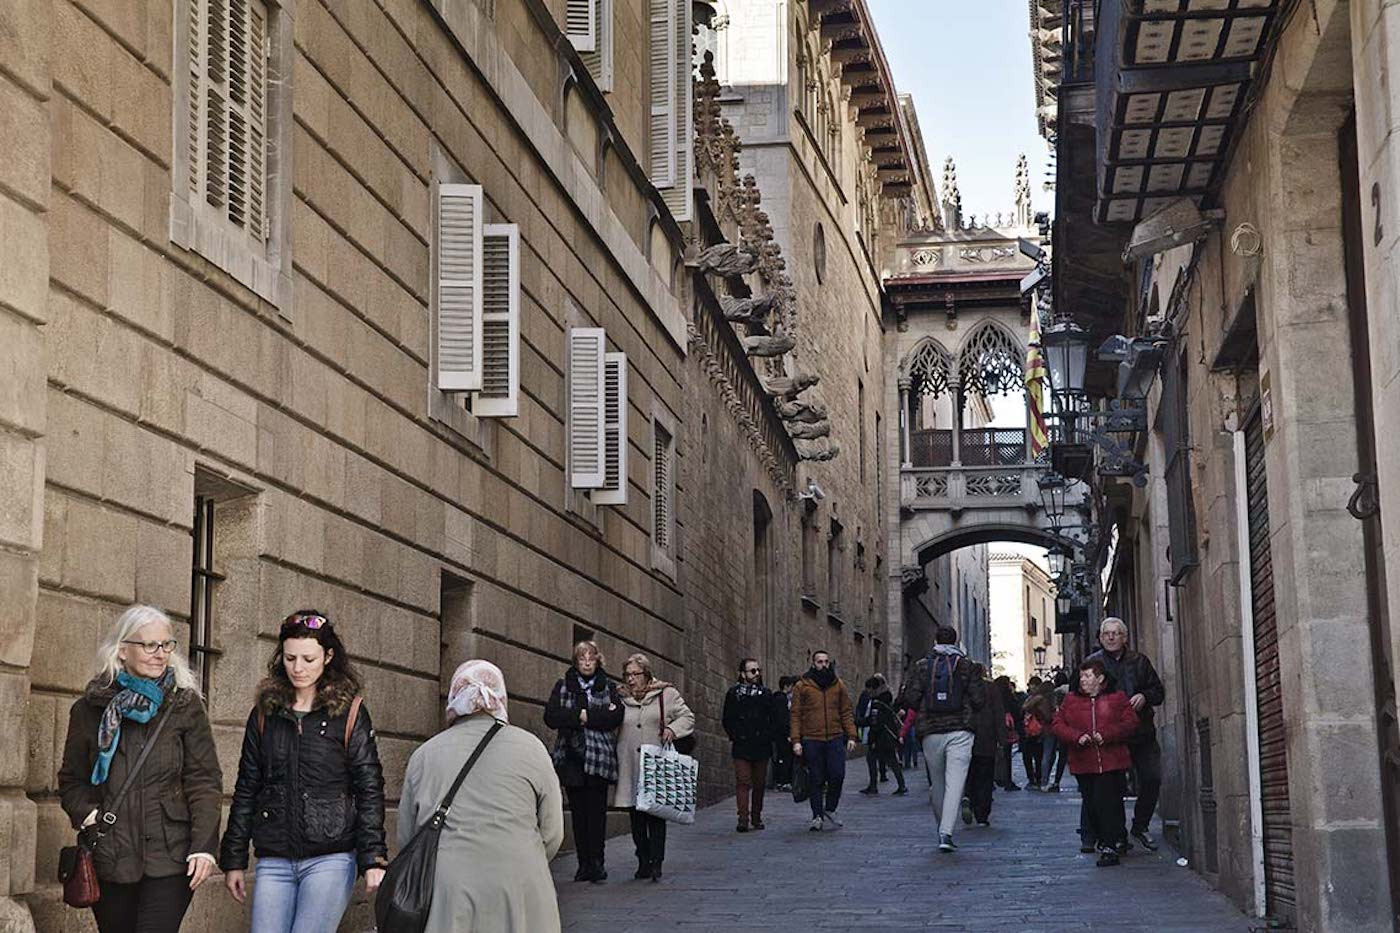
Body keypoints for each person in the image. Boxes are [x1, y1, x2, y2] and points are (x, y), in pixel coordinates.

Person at [219, 610, 388, 932]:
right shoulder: (265, 713)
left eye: (308, 659)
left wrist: (372, 857)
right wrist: (234, 859)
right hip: (274, 857)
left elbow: (369, 786)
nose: (298, 668)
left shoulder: (349, 711)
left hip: (331, 855)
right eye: (290, 657)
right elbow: (247, 787)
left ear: (328, 656)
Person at [58, 605, 223, 933]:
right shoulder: (90, 709)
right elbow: (71, 780)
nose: (160, 653)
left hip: (171, 856)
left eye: (166, 645)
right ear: (122, 650)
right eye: (149, 645)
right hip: (111, 855)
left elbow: (204, 780)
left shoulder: (184, 705)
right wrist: (89, 816)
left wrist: (204, 847)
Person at [398, 660, 564, 932]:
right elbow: (553, 831)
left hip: (448, 887)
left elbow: (408, 836)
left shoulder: (424, 755)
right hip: (520, 881)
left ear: (454, 696)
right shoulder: (532, 747)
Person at [899, 626, 985, 852]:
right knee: (955, 782)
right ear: (956, 641)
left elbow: (911, 699)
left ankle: (942, 828)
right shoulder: (967, 666)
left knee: (936, 783)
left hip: (930, 730)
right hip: (960, 730)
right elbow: (978, 700)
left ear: (935, 640)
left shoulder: (922, 666)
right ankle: (946, 832)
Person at [544, 640, 623, 883]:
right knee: (578, 813)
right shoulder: (563, 685)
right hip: (572, 757)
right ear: (576, 661)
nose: (587, 662)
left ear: (598, 660)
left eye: (591, 658)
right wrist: (579, 715)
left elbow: (615, 716)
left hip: (599, 758)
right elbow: (551, 716)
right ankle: (583, 864)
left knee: (597, 813)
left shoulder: (607, 687)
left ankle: (597, 862)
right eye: (582, 658)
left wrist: (588, 717)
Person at [1085, 617, 1166, 851]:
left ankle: (1140, 826)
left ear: (1124, 637)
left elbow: (1158, 692)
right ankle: (1117, 835)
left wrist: (1145, 696)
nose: (1111, 637)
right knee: (1113, 787)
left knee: (1152, 778)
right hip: (1110, 737)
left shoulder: (1139, 662)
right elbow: (1078, 696)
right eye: (1106, 634)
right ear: (1100, 638)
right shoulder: (1092, 664)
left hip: (1141, 733)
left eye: (1116, 633)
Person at [613, 653, 695, 881]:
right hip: (630, 765)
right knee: (636, 817)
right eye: (627, 675)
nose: (630, 679)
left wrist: (673, 729)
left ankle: (656, 861)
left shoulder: (666, 694)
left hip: (656, 765)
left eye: (635, 674)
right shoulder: (619, 697)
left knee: (656, 815)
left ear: (646, 674)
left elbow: (687, 717)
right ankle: (643, 859)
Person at [1051, 658, 1139, 866]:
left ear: (1100, 678)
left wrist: (1106, 735)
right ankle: (1109, 839)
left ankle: (1110, 845)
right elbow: (1057, 724)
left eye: (1088, 676)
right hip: (1084, 762)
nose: (1083, 680)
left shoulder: (1117, 698)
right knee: (1092, 804)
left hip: (1112, 762)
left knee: (1107, 802)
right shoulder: (1071, 700)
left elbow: (1130, 723)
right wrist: (1076, 737)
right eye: (1081, 676)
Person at [789, 651, 858, 831]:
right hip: (812, 739)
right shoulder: (802, 686)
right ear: (813, 664)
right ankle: (817, 815)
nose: (823, 665)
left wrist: (851, 735)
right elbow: (795, 714)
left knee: (838, 774)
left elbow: (846, 711)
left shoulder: (838, 685)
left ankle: (831, 808)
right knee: (816, 778)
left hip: (835, 737)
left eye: (826, 661)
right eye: (820, 662)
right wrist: (796, 740)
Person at [723, 658, 777, 831]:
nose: (756, 674)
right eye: (752, 671)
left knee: (759, 784)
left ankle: (756, 817)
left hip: (761, 745)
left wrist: (768, 737)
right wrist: (736, 735)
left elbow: (773, 719)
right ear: (742, 674)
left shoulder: (766, 694)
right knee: (743, 781)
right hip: (742, 744)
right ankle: (743, 818)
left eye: (758, 670)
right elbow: (727, 718)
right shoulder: (734, 694)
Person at [965, 663, 1006, 825]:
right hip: (987, 739)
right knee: (985, 777)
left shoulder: (964, 688)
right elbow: (998, 713)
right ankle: (982, 814)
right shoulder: (991, 688)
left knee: (969, 773)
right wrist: (1002, 740)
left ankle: (968, 797)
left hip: (966, 737)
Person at [858, 675, 907, 796]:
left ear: (872, 688)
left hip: (880, 738)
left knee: (871, 759)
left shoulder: (877, 703)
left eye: (868, 689)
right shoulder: (886, 700)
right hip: (888, 736)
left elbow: (875, 722)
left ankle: (873, 786)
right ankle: (901, 785)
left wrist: (859, 722)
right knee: (893, 762)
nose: (867, 692)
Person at [993, 676, 1020, 791]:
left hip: (993, 728)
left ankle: (993, 780)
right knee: (1006, 756)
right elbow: (1016, 710)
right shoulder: (1008, 696)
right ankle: (1007, 780)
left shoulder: (993, 694)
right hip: (1006, 729)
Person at [770, 676, 797, 790]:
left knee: (783, 757)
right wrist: (787, 734)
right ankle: (783, 782)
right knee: (784, 757)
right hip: (782, 735)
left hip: (779, 734)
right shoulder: (781, 699)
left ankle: (782, 781)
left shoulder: (778, 698)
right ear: (786, 686)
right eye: (791, 686)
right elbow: (783, 719)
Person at [1020, 675, 1046, 789]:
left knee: (1034, 756)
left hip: (1035, 730)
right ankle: (1035, 778)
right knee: (1033, 756)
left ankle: (1035, 779)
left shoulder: (1037, 698)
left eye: (1033, 686)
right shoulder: (1031, 697)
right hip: (1031, 730)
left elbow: (1025, 707)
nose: (1031, 688)